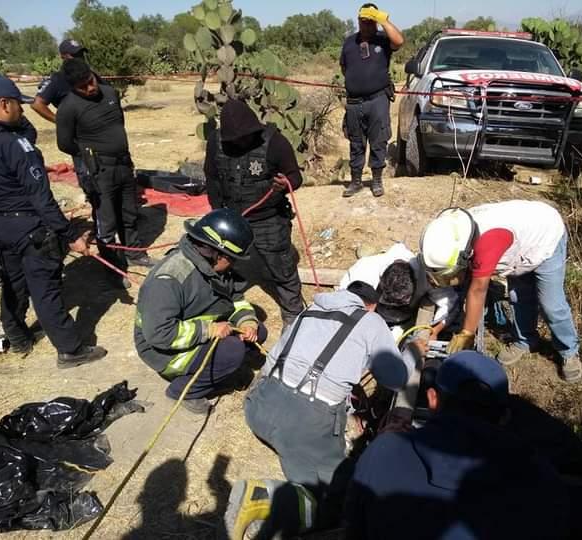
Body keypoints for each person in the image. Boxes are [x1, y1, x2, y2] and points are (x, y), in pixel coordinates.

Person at [234, 282, 422, 533]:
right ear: (371, 306)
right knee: (340, 494)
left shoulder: (309, 310)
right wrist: (413, 353)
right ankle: (263, 498)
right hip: (302, 426)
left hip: (259, 409)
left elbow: (271, 362)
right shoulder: (371, 321)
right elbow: (395, 379)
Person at [344, 351, 573, 540]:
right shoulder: (540, 476)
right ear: (504, 417)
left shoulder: (383, 454)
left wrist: (389, 444)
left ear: (432, 399)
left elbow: (354, 527)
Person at [0, 74, 106, 366]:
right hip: (29, 226)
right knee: (44, 288)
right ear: (4, 104)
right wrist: (70, 234)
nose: (23, 111)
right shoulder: (16, 146)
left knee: (13, 281)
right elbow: (41, 199)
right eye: (18, 106)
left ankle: (18, 335)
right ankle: (70, 349)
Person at [419, 201, 582, 383]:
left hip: (546, 239)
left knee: (551, 304)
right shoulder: (450, 231)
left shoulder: (486, 242)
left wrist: (466, 333)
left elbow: (478, 290)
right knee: (518, 297)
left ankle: (569, 350)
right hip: (517, 247)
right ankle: (525, 340)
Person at [134, 208, 267, 415]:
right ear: (217, 252)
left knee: (259, 331)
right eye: (232, 258)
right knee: (232, 351)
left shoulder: (213, 268)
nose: (234, 263)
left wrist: (247, 321)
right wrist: (209, 330)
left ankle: (218, 368)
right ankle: (185, 390)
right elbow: (159, 334)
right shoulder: (170, 279)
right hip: (163, 351)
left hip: (193, 327)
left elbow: (235, 299)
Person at [204, 99, 303, 328]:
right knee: (224, 264)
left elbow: (295, 176)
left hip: (268, 218)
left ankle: (293, 313)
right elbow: (212, 178)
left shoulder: (275, 143)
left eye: (245, 137)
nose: (240, 142)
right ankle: (225, 306)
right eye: (234, 140)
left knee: (281, 266)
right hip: (231, 218)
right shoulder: (215, 143)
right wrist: (218, 212)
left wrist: (286, 183)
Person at [56, 58, 153, 285]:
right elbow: (65, 144)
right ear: (72, 88)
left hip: (123, 165)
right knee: (106, 221)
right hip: (100, 171)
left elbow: (119, 121)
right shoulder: (68, 108)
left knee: (129, 214)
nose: (90, 88)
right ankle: (113, 267)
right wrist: (91, 153)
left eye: (90, 81)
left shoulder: (110, 93)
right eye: (83, 87)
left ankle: (135, 254)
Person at [340, 3, 404, 198]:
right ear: (358, 21)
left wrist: (382, 19)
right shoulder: (349, 42)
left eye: (370, 22)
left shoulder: (383, 40)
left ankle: (376, 180)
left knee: (378, 141)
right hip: (354, 102)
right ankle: (356, 181)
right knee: (356, 143)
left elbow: (399, 41)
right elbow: (344, 67)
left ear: (375, 23)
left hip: (377, 100)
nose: (366, 26)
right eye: (363, 21)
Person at [338, 242, 459, 337]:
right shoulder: (363, 271)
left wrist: (435, 330)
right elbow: (341, 300)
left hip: (405, 322)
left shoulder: (427, 277)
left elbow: (450, 305)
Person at [30, 39, 102, 193]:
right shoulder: (57, 79)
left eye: (81, 54)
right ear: (63, 57)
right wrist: (60, 121)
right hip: (79, 136)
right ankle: (94, 199)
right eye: (75, 55)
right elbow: (37, 104)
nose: (80, 58)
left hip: (101, 130)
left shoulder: (91, 75)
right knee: (88, 173)